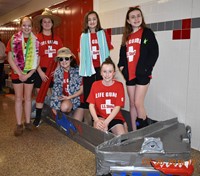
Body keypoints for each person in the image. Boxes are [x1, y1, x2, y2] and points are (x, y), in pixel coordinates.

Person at [118, 7, 159, 131]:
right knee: (132, 104)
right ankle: (134, 132)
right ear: (128, 21)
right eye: (133, 17)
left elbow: (154, 52)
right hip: (129, 75)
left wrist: (147, 69)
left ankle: (143, 132)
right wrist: (123, 69)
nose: (136, 19)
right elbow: (121, 57)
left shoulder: (147, 33)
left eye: (138, 15)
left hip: (142, 74)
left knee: (138, 103)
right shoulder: (126, 37)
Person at [6, 16, 39, 136]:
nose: (26, 28)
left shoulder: (36, 40)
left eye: (29, 25)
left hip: (30, 73)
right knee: (19, 98)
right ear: (20, 26)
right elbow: (10, 58)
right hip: (17, 74)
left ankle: (28, 122)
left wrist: (29, 74)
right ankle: (19, 124)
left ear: (32, 27)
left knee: (28, 98)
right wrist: (20, 74)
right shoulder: (13, 39)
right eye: (24, 25)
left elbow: (37, 60)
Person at [33, 9, 63, 127]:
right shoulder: (37, 38)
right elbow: (34, 57)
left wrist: (57, 70)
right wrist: (39, 72)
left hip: (54, 71)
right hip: (41, 70)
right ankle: (38, 117)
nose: (46, 24)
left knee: (52, 94)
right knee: (40, 94)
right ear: (41, 23)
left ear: (52, 23)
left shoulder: (58, 38)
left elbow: (61, 56)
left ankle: (52, 115)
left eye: (48, 21)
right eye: (44, 22)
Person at [79, 10, 114, 110]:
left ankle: (100, 114)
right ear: (86, 22)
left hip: (101, 68)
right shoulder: (83, 36)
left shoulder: (103, 34)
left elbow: (107, 50)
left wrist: (108, 66)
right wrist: (84, 67)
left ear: (97, 20)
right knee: (89, 93)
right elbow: (80, 52)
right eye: (89, 20)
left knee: (101, 91)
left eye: (94, 19)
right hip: (89, 68)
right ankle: (89, 118)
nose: (92, 21)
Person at [87, 57, 127, 135]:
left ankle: (122, 126)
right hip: (100, 117)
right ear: (101, 73)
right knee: (100, 133)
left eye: (110, 71)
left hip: (114, 117)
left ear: (114, 73)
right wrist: (96, 120)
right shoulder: (95, 85)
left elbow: (117, 107)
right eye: (104, 71)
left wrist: (106, 122)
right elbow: (91, 105)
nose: (107, 74)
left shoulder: (119, 86)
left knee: (122, 137)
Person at [50, 47, 84, 121]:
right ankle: (69, 113)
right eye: (61, 59)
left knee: (77, 126)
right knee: (64, 107)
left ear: (71, 59)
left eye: (66, 58)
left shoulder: (79, 71)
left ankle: (77, 114)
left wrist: (70, 97)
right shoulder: (58, 73)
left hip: (79, 100)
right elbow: (56, 90)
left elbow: (82, 90)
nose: (64, 61)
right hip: (67, 101)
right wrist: (54, 106)